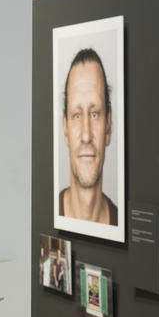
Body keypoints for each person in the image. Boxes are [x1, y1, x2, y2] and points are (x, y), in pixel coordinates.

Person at [58, 48, 118, 226]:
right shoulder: (44, 216)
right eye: (77, 115)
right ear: (65, 129)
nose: (86, 135)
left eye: (94, 114)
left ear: (108, 125)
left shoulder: (123, 226)